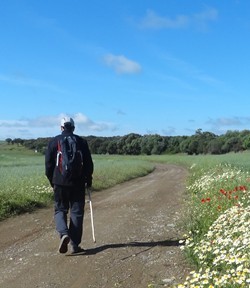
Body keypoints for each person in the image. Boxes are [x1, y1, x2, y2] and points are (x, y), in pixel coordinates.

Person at [45, 116, 94, 254]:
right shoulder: (81, 141)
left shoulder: (54, 142)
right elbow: (88, 164)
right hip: (78, 183)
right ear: (73, 127)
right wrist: (88, 180)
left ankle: (63, 233)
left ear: (61, 128)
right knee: (76, 213)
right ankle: (75, 245)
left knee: (60, 210)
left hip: (59, 183)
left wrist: (52, 181)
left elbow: (48, 165)